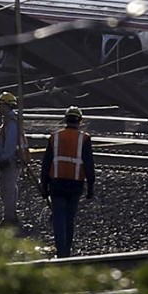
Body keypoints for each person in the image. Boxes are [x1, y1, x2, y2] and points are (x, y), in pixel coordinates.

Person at [40, 105, 95, 258]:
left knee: (58, 217)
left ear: (65, 120)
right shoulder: (84, 138)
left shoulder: (55, 137)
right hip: (75, 183)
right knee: (69, 219)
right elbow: (89, 164)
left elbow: (46, 163)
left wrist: (43, 184)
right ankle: (67, 250)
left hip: (57, 182)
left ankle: (61, 251)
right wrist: (90, 187)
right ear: (80, 121)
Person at [0, 91, 29, 229]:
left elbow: (10, 145)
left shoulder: (11, 123)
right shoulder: (10, 121)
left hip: (10, 161)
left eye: (0, 105)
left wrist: (3, 158)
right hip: (12, 160)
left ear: (6, 106)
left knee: (7, 190)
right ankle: (10, 216)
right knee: (9, 189)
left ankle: (10, 219)